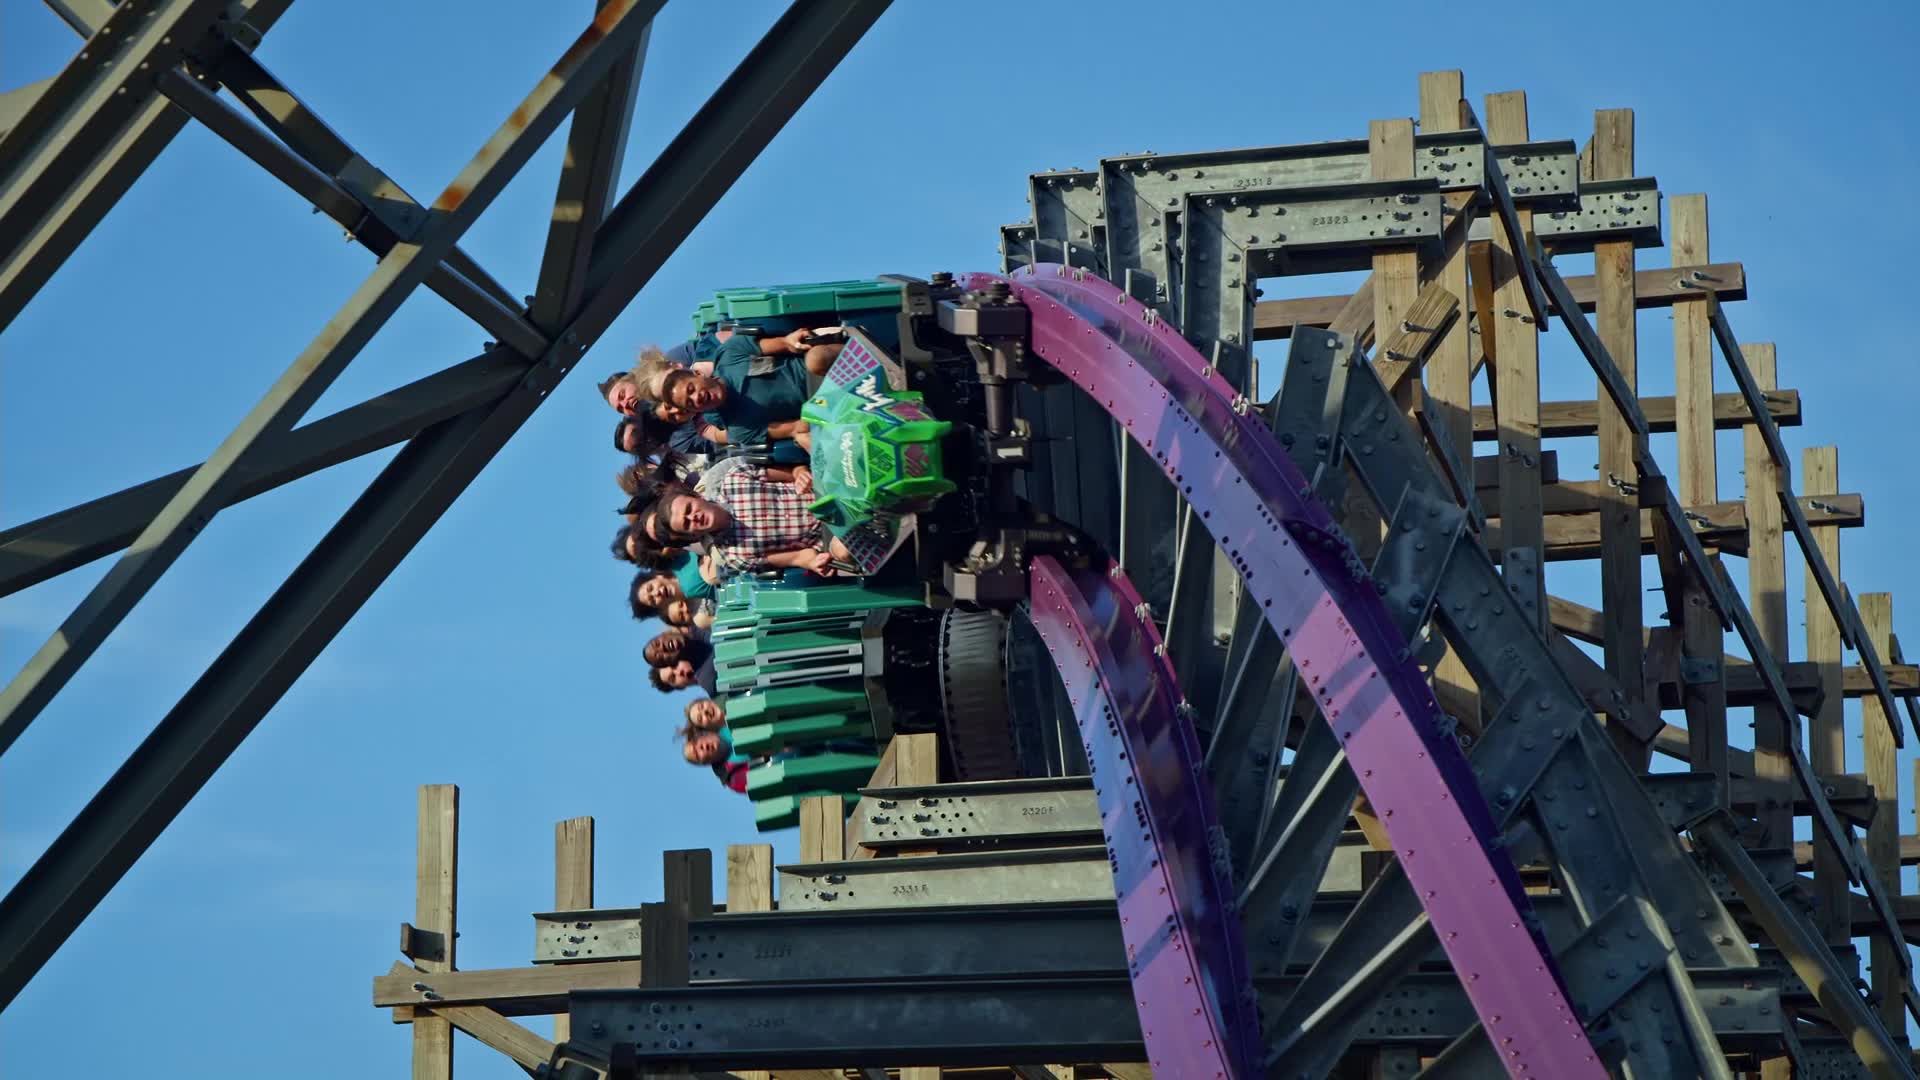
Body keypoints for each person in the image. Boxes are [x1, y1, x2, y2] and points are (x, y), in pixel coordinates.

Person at [642, 468, 850, 578]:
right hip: (830, 535)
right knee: (843, 552)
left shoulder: (734, 479)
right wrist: (812, 562)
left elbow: (793, 472)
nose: (693, 517)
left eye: (689, 509)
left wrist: (800, 474)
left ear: (696, 496)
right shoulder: (734, 557)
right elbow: (798, 557)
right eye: (687, 524)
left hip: (825, 492)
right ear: (692, 536)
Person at [681, 726, 749, 794]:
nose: (701, 747)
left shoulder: (727, 722)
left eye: (695, 742)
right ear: (705, 763)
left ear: (703, 735)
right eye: (697, 754)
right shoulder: (734, 778)